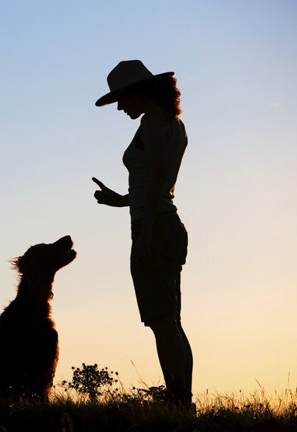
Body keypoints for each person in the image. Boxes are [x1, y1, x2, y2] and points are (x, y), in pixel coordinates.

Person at [92, 60, 193, 408]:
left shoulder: (152, 122)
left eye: (122, 98)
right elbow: (157, 182)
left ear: (138, 92)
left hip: (156, 228)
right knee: (170, 322)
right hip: (165, 225)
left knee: (163, 322)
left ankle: (178, 402)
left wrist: (144, 236)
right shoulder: (171, 123)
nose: (120, 106)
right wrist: (120, 200)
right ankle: (182, 401)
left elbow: (157, 180)